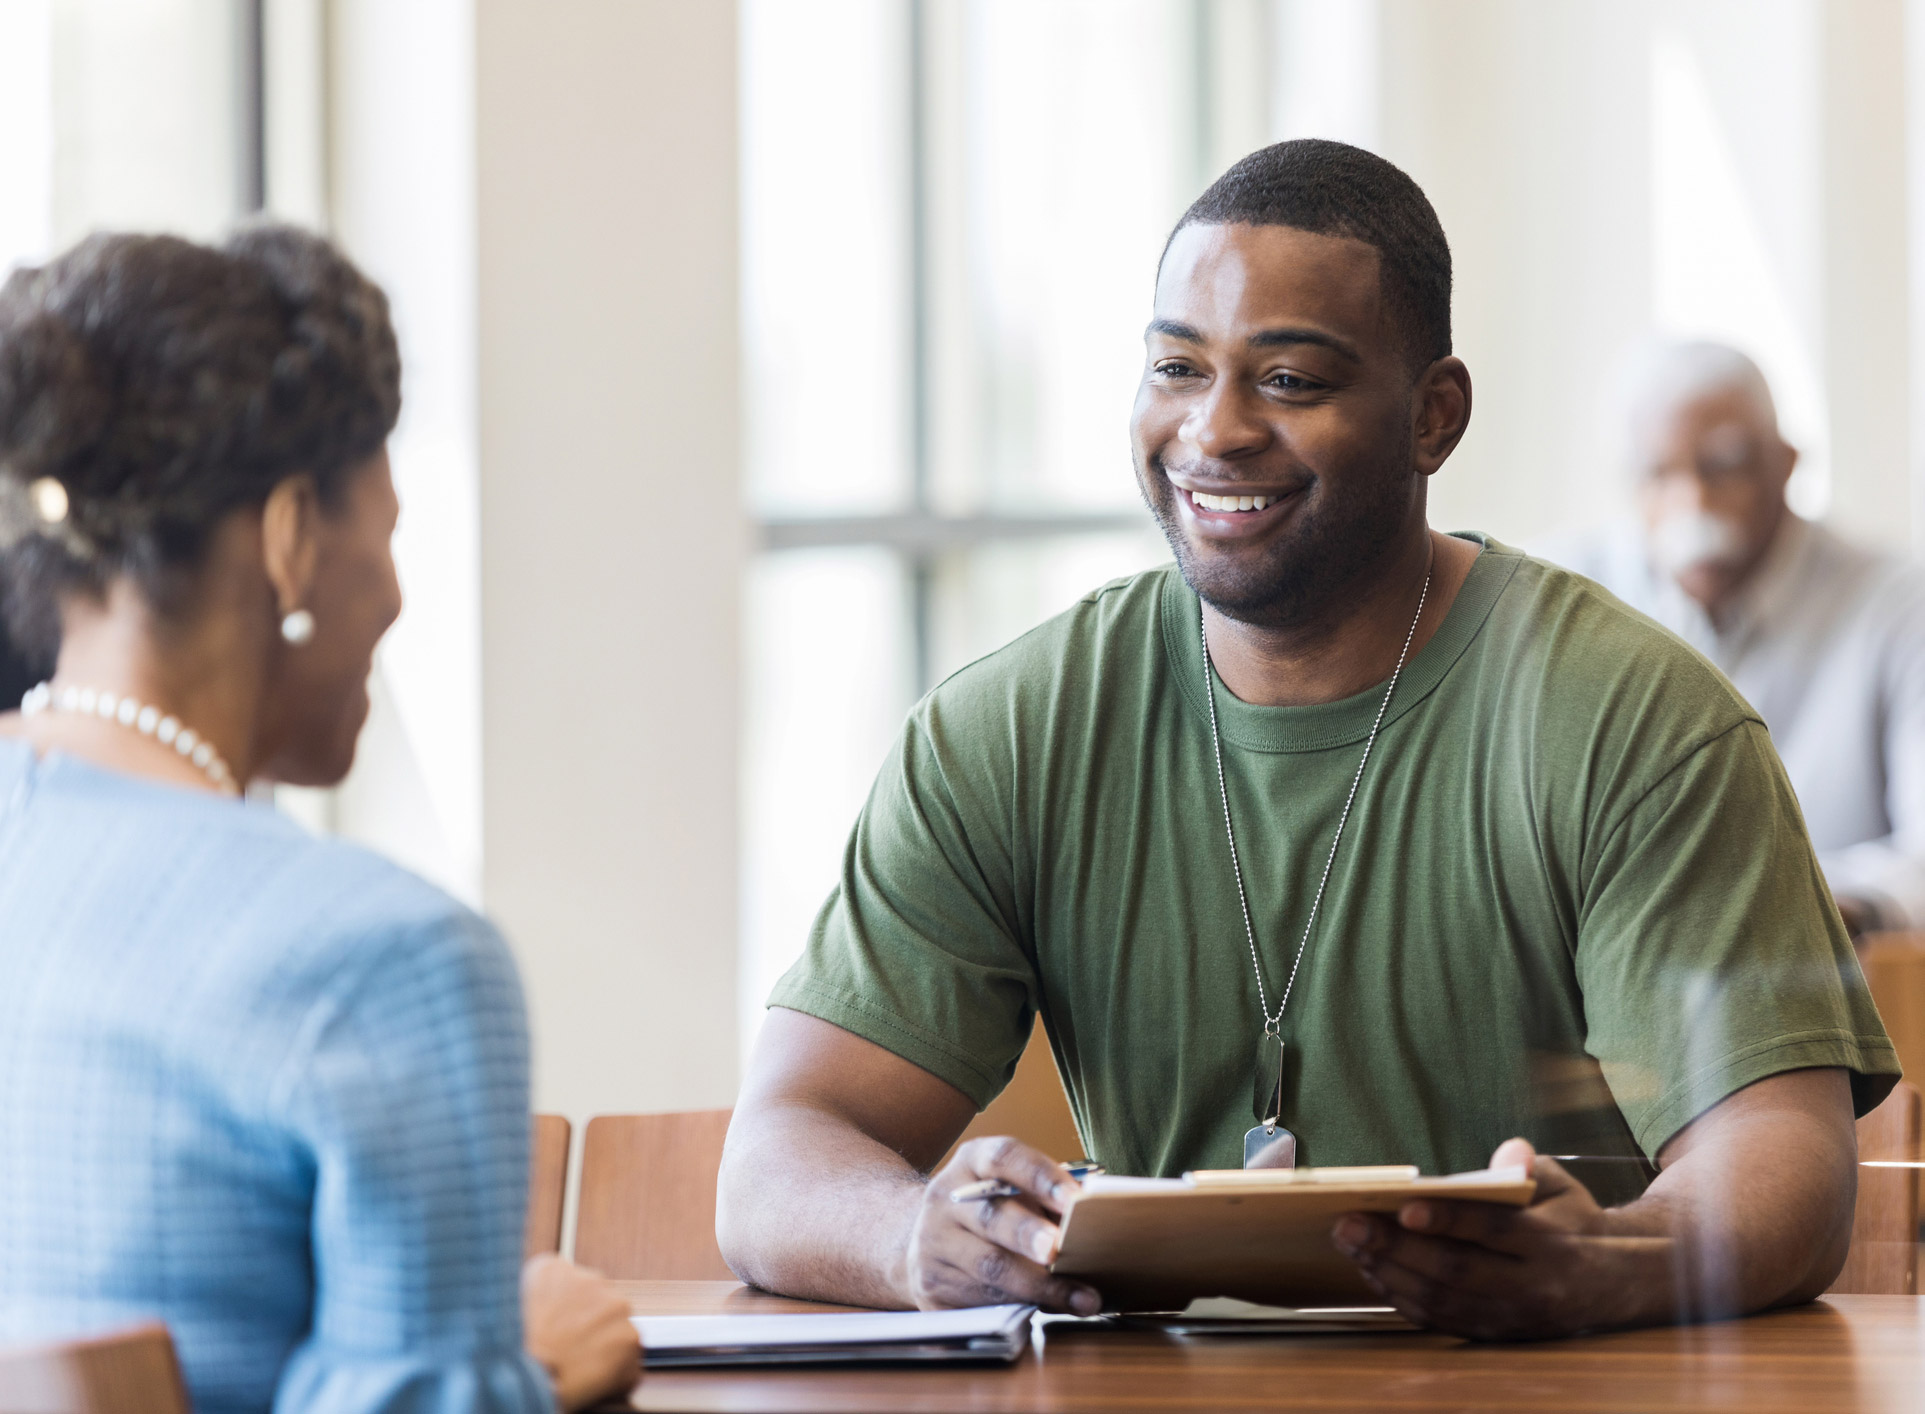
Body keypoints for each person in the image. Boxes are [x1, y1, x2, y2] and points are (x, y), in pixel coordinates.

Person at [715, 139, 1897, 1341]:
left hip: (1538, 1383)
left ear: (1432, 416)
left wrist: (1612, 1258)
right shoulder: (1007, 731)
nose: (1212, 431)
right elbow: (777, 1154)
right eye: (1176, 366)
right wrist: (913, 1237)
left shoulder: (1637, 722)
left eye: (1287, 379)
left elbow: (1785, 1174)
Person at [0, 229, 641, 1412]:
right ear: (292, 537)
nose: (394, 595)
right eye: (388, 533)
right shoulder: (385, 959)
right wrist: (519, 1369)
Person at [1548, 340, 1925, 937]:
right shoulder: (1567, 599)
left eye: (1722, 467)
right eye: (1658, 474)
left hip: (1832, 985)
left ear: (1787, 463)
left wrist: (1791, 907)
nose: (1692, 502)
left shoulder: (1898, 604)